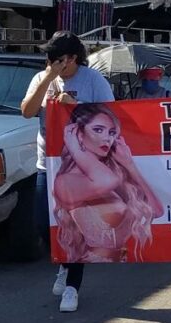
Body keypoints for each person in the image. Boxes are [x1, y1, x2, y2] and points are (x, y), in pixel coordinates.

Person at [21, 31, 115, 313]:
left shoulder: (92, 79)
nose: (50, 62)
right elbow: (27, 111)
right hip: (46, 162)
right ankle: (64, 262)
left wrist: (77, 108)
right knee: (42, 222)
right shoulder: (42, 78)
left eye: (56, 59)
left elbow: (111, 116)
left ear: (72, 58)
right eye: (47, 57)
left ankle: (73, 287)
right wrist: (49, 79)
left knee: (75, 226)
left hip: (80, 165)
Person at [53, 104, 163, 263]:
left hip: (120, 266)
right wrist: (75, 149)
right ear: (78, 133)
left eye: (111, 132)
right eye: (98, 130)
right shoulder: (65, 182)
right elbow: (106, 181)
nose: (107, 138)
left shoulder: (114, 176)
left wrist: (130, 165)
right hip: (95, 268)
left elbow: (156, 211)